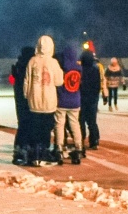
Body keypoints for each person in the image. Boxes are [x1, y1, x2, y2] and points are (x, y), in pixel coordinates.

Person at [23, 35, 62, 166]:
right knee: (46, 130)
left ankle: (35, 155)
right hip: (49, 102)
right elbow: (59, 81)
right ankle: (44, 154)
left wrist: (27, 96)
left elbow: (26, 81)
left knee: (35, 129)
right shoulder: (53, 62)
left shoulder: (32, 61)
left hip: (34, 101)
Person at [54, 45, 84, 164]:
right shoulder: (79, 68)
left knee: (59, 125)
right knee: (75, 125)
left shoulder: (62, 68)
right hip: (75, 100)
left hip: (62, 100)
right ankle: (78, 147)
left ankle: (59, 147)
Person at [8, 46, 34, 165]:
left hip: (19, 97)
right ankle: (25, 148)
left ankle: (19, 148)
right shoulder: (28, 66)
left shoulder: (18, 64)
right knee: (27, 124)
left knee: (22, 124)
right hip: (27, 97)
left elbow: (12, 80)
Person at [79, 48, 102, 150]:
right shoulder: (96, 69)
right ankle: (94, 140)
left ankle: (80, 140)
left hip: (82, 97)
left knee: (81, 120)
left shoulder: (80, 69)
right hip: (93, 98)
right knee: (92, 120)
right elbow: (97, 85)